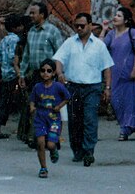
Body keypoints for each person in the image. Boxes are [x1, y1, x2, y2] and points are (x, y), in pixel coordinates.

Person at [53, 10, 113, 167]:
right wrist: (59, 73)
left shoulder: (99, 45)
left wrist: (107, 87)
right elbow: (59, 59)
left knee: (90, 119)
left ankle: (88, 151)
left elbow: (107, 68)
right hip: (73, 87)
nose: (78, 29)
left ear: (90, 26)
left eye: (82, 26)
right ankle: (77, 150)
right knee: (74, 120)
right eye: (76, 26)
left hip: (92, 87)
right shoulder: (69, 43)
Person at [18, 2, 64, 144]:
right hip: (34, 74)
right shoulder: (31, 31)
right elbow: (26, 55)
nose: (30, 16)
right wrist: (21, 74)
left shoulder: (52, 31)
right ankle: (33, 136)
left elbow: (60, 54)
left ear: (42, 15)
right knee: (33, 106)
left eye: (33, 13)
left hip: (48, 76)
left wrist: (59, 73)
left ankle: (51, 137)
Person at [104, 5, 135, 140]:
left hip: (129, 71)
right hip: (114, 72)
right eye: (115, 15)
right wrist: (103, 31)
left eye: (119, 16)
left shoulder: (132, 32)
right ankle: (127, 125)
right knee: (116, 101)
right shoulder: (111, 34)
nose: (115, 17)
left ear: (126, 20)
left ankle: (124, 129)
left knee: (129, 101)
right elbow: (101, 47)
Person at [30, 58, 70, 179]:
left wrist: (59, 106)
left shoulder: (58, 86)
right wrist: (32, 107)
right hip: (40, 118)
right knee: (40, 143)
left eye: (49, 70)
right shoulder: (37, 87)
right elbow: (32, 99)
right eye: (43, 70)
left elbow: (67, 97)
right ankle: (43, 167)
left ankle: (53, 151)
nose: (45, 73)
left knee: (51, 144)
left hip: (53, 119)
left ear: (53, 73)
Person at [0, 13, 21, 139]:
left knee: (4, 102)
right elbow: (12, 56)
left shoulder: (3, 40)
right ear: (16, 27)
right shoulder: (15, 39)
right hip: (13, 74)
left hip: (4, 74)